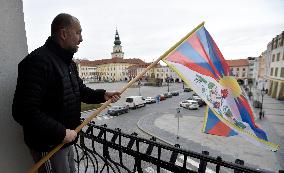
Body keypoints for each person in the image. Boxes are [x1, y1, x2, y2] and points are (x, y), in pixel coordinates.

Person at [12, 13, 121, 173]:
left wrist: (103, 94)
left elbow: (80, 91)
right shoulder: (37, 62)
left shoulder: (68, 63)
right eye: (78, 32)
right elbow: (23, 111)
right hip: (48, 144)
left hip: (66, 140)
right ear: (63, 34)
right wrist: (61, 132)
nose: (81, 38)